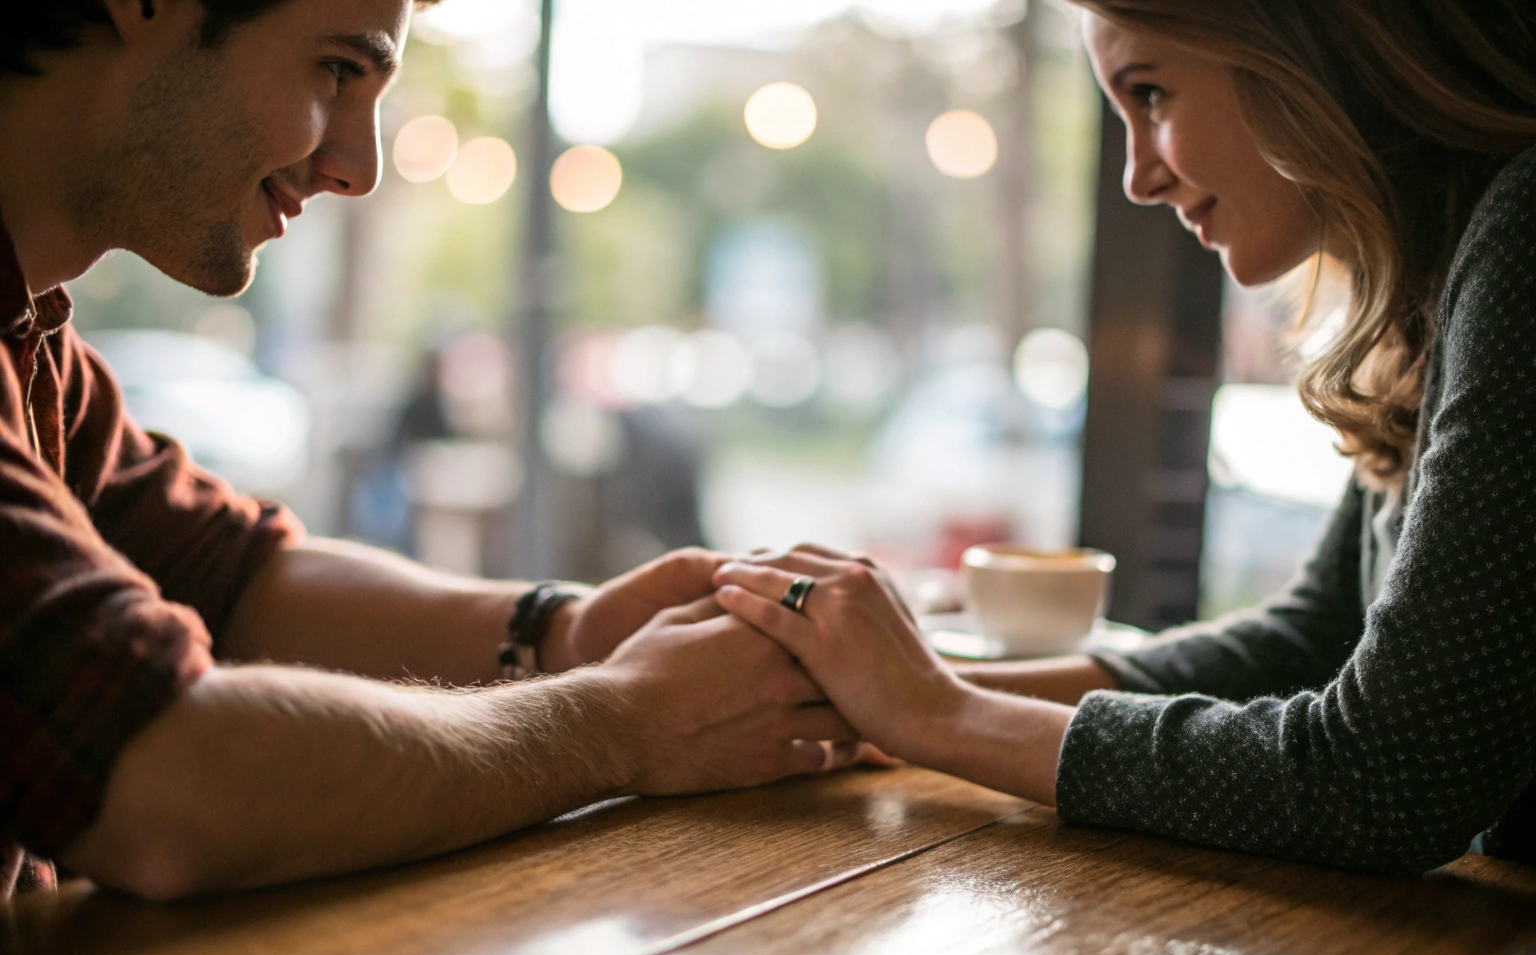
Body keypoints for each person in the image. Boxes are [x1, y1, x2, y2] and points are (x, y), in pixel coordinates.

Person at [0, 0, 862, 902]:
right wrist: (625, 722)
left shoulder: (36, 336)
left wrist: (572, 631)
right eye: (336, 71)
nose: (360, 169)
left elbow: (231, 575)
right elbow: (164, 778)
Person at [715, 0, 1536, 875]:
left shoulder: (1524, 231)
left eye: (1150, 95)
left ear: (1301, 40)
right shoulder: (1441, 273)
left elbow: (1383, 780)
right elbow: (1314, 633)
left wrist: (938, 717)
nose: (1138, 179)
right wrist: (888, 694)